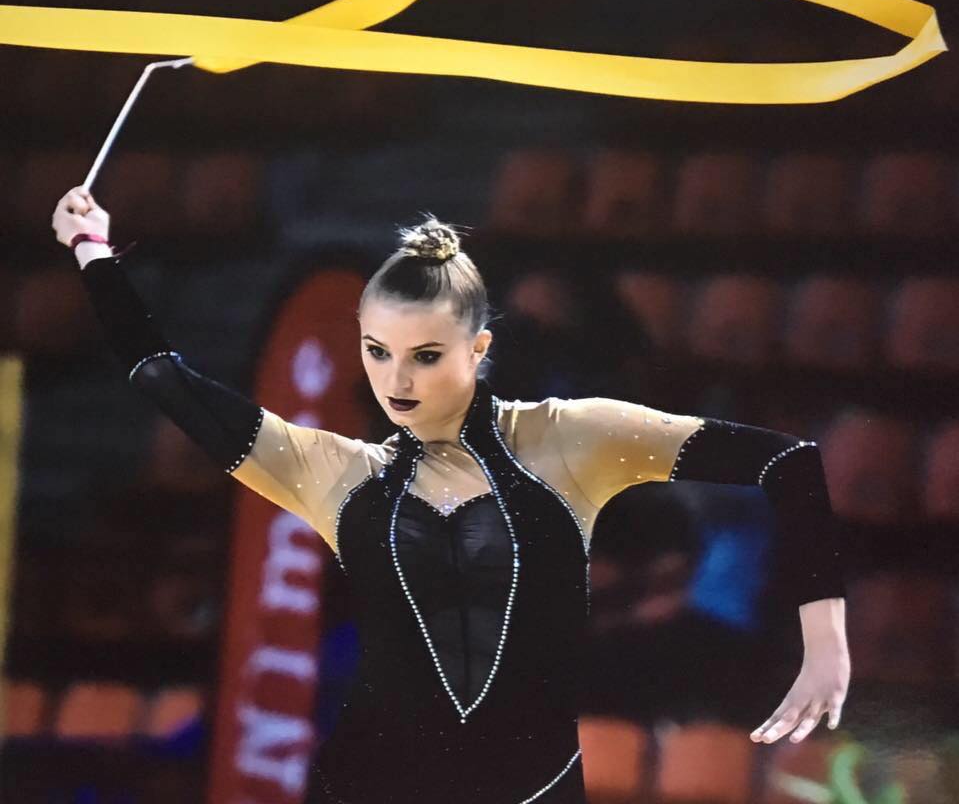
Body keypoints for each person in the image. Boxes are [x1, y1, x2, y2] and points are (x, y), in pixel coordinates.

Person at [53, 185, 850, 804]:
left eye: (425, 355)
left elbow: (790, 464)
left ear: (479, 346)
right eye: (376, 354)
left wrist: (825, 642)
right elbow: (158, 374)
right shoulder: (336, 470)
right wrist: (93, 252)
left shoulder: (572, 438)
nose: (397, 381)